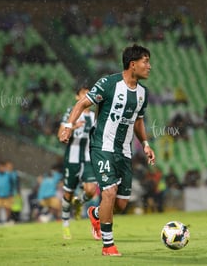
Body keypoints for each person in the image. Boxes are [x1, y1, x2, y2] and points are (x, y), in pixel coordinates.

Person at [59, 44, 155, 256]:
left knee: (120, 204)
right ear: (133, 64)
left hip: (124, 152)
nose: (149, 66)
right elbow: (82, 104)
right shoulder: (108, 83)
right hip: (102, 146)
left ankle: (94, 212)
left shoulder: (142, 93)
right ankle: (108, 246)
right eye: (145, 61)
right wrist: (68, 126)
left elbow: (138, 121)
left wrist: (146, 144)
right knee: (108, 192)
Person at [57, 87, 97, 240]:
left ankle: (79, 202)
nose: (87, 96)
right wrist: (72, 127)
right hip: (72, 157)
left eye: (89, 93)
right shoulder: (71, 113)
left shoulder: (94, 116)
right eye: (84, 93)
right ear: (77, 97)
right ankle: (66, 225)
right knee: (68, 192)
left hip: (88, 157)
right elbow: (60, 134)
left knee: (91, 190)